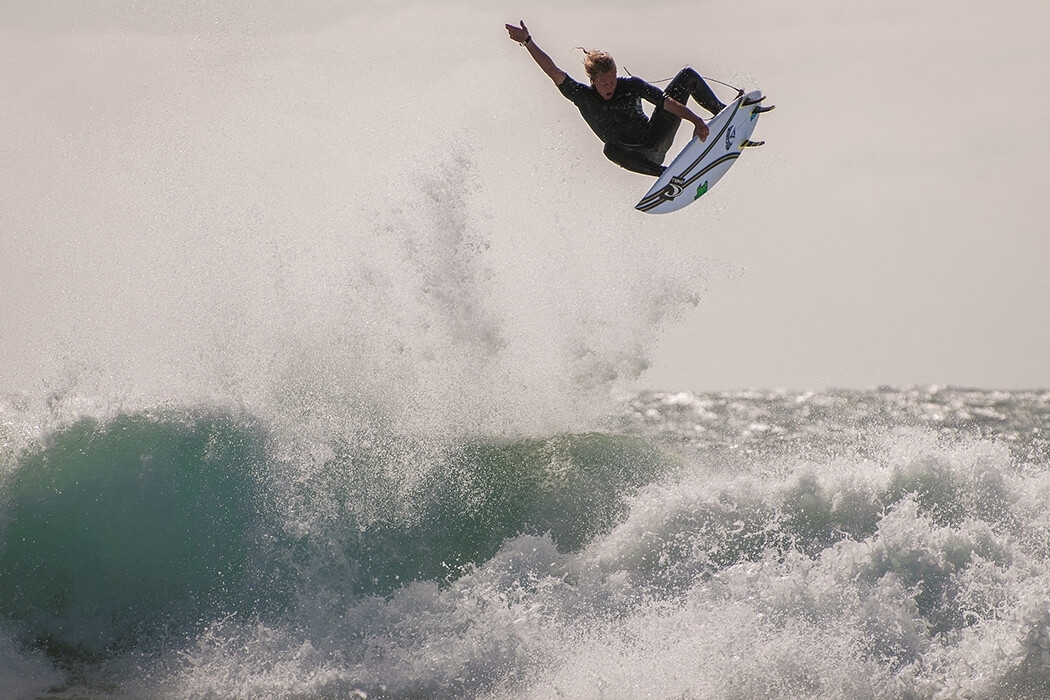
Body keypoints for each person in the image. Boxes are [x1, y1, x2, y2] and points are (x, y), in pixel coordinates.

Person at [504, 20, 732, 177]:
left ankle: (725, 113)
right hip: (637, 155)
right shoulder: (583, 97)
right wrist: (528, 41)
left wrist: (696, 120)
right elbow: (553, 71)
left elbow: (667, 103)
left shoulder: (631, 86)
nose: (610, 86)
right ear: (593, 81)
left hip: (656, 137)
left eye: (612, 80)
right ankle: (667, 175)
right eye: (604, 83)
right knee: (610, 149)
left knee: (687, 76)